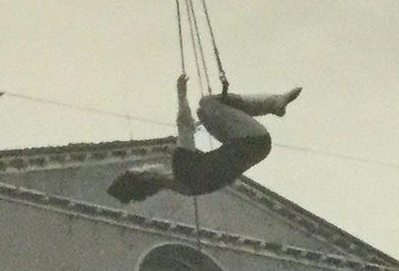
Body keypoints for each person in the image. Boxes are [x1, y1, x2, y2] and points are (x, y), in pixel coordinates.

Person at [107, 74, 302, 203]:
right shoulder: (182, 167)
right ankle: (274, 102)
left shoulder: (186, 189)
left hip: (251, 148)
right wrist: (181, 94)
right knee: (207, 103)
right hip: (252, 139)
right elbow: (184, 123)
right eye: (142, 167)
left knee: (204, 114)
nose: (149, 165)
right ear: (146, 175)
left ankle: (273, 105)